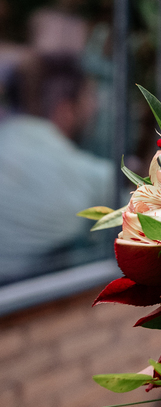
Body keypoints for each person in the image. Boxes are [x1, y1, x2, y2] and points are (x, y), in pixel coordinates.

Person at [0, 56, 114, 283]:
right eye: (89, 97)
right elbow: (145, 206)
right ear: (65, 110)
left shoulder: (8, 139)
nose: (96, 107)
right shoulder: (80, 172)